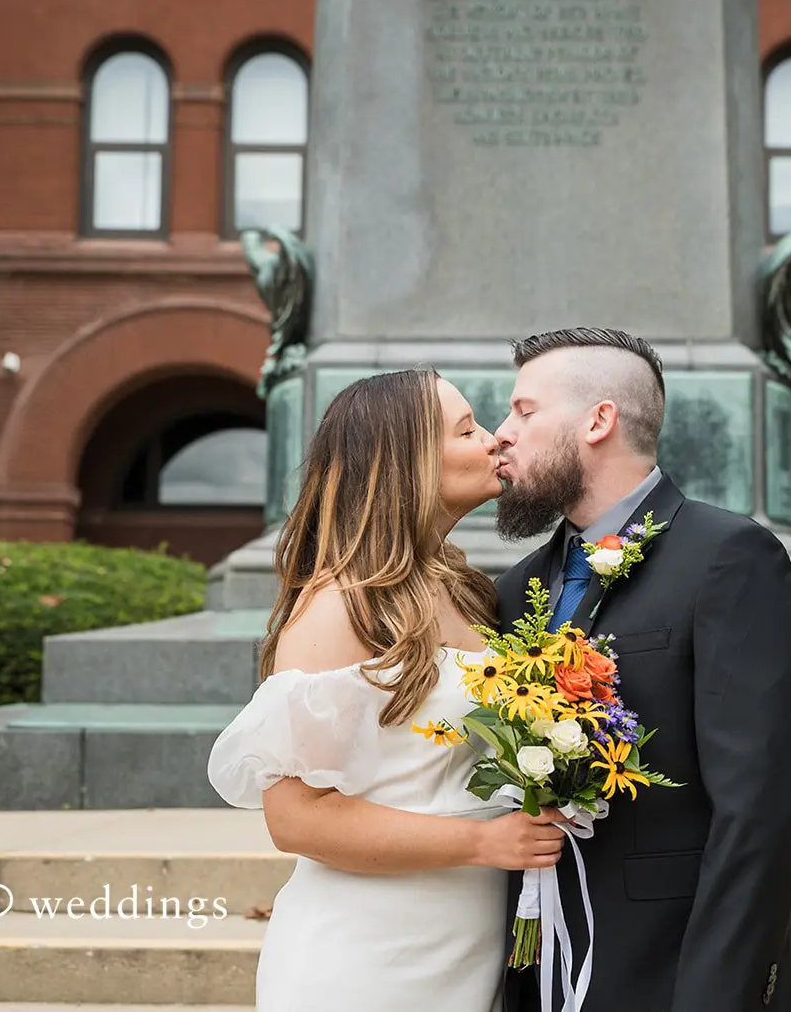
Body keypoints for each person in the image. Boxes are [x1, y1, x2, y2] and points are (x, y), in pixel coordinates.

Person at [492, 327, 791, 1012]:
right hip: (543, 969)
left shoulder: (728, 556)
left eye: (524, 410)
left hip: (676, 968)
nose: (503, 433)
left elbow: (760, 810)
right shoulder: (516, 588)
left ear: (599, 420)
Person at [205, 368, 567, 1012]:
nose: (493, 441)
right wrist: (483, 841)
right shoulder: (338, 608)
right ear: (405, 462)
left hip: (467, 945)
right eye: (466, 429)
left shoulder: (467, 591)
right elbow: (295, 817)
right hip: (365, 959)